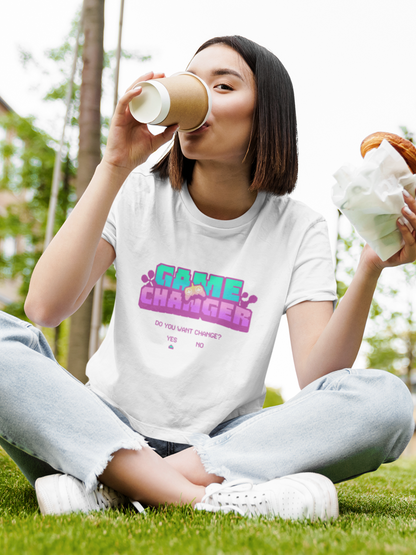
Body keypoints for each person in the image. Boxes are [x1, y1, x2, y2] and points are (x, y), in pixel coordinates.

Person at [0, 35, 414, 520]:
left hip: (224, 444)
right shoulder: (133, 193)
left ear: (267, 114)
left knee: (385, 401)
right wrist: (114, 164)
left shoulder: (299, 226)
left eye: (223, 85)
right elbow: (45, 308)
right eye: (194, 82)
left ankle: (113, 484)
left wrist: (369, 267)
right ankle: (204, 498)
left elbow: (321, 379)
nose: (199, 94)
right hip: (101, 423)